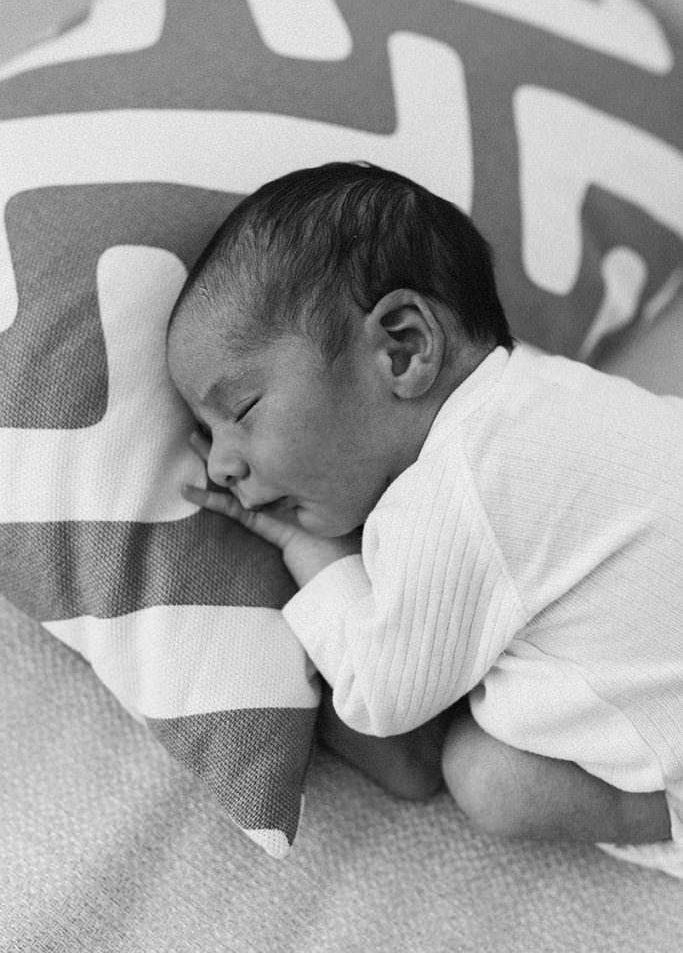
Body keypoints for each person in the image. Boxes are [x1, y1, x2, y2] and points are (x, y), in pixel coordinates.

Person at [166, 161, 683, 876]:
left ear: (403, 348)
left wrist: (307, 547)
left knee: (485, 775)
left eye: (242, 410)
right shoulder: (546, 390)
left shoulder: (451, 491)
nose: (222, 463)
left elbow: (381, 698)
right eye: (209, 432)